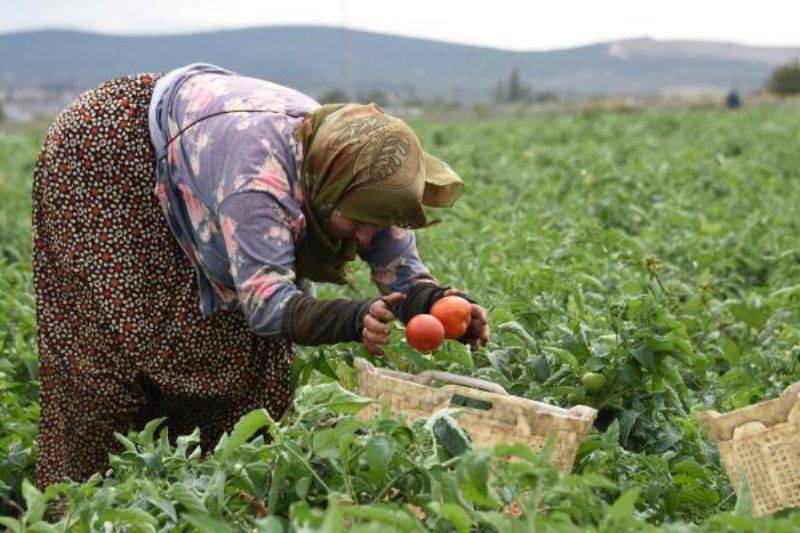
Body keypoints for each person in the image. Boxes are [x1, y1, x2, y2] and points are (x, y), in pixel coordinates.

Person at [31, 63, 490, 489]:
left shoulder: (367, 176)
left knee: (233, 354)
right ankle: (81, 501)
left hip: (207, 148)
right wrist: (355, 318)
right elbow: (269, 306)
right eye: (359, 221)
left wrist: (444, 305)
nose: (368, 236)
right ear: (328, 193)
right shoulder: (260, 184)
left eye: (379, 222)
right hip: (110, 154)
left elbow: (403, 279)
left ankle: (203, 485)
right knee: (111, 348)